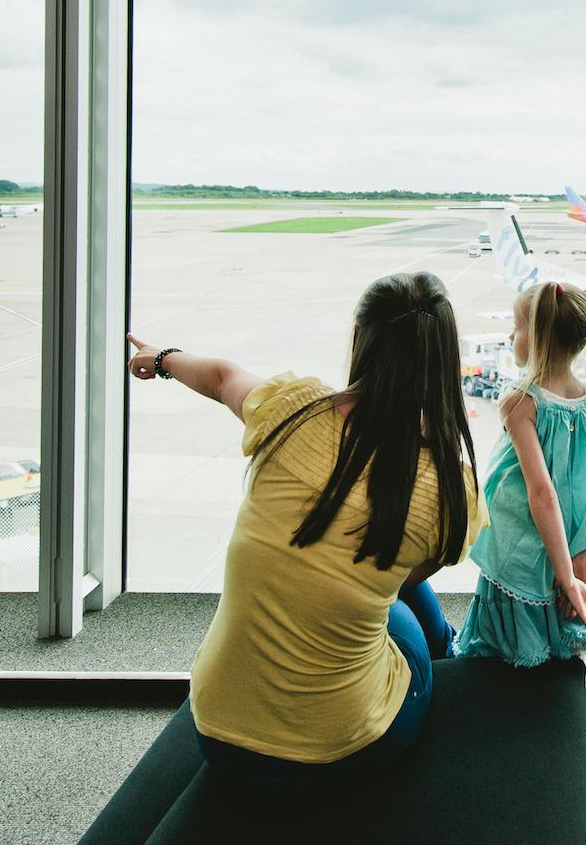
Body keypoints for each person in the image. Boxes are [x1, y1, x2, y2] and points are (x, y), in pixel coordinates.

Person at [125, 271, 482, 788]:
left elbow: (223, 377)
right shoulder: (451, 489)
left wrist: (160, 358)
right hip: (347, 749)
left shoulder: (290, 410)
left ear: (360, 339)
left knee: (375, 599)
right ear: (443, 360)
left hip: (218, 731)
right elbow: (410, 575)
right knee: (405, 621)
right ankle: (449, 656)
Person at [454, 280, 586, 667]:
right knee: (572, 654)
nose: (511, 335)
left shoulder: (521, 402)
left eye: (518, 327)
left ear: (538, 337)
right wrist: (583, 560)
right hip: (576, 556)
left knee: (511, 659)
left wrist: (565, 578)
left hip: (523, 561)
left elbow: (542, 493)